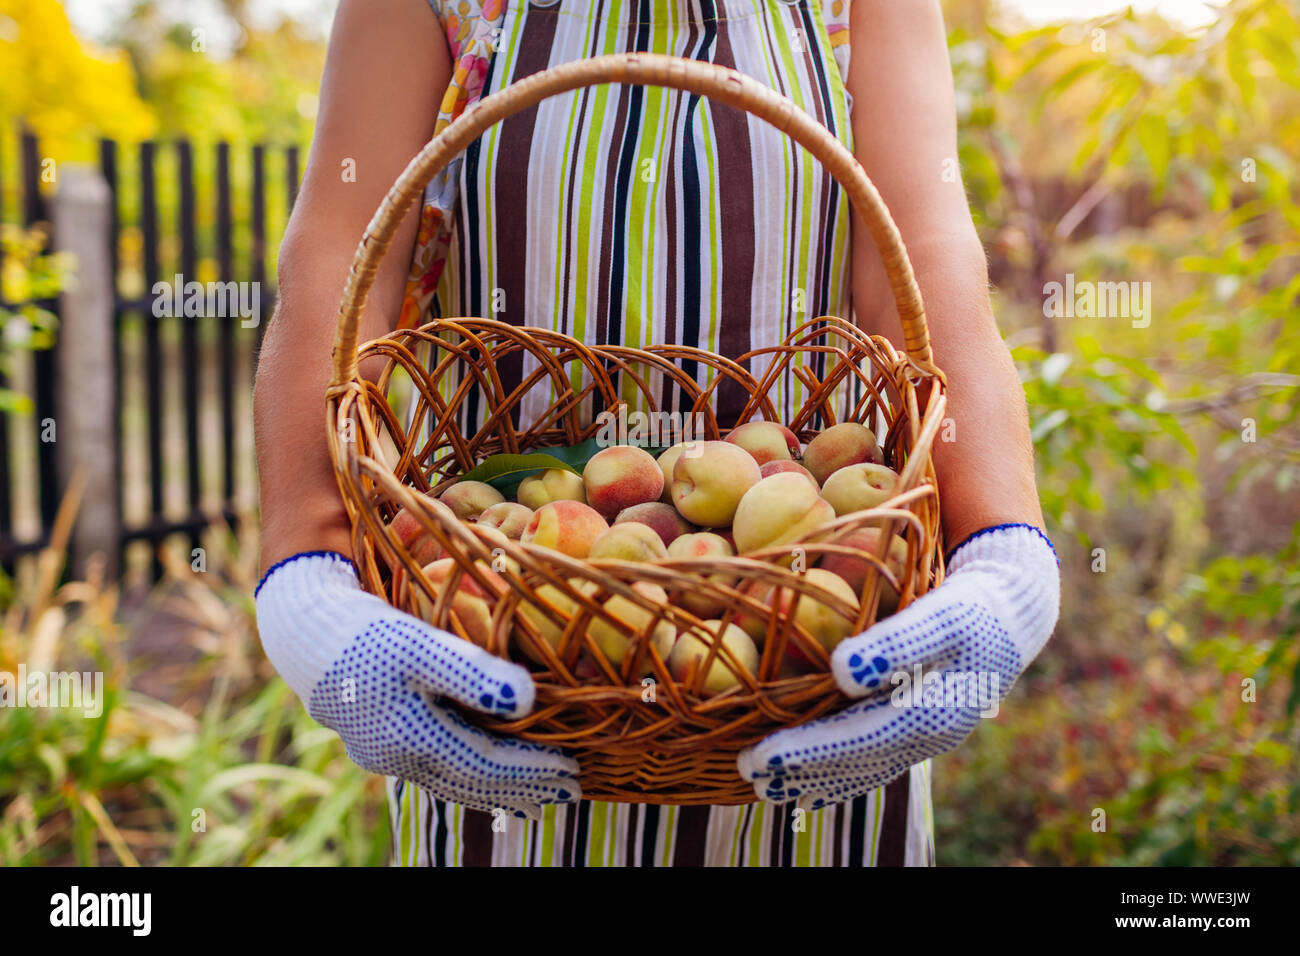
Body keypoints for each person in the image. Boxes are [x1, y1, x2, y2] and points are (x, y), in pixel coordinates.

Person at [253, 0, 1059, 867]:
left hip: (806, 663)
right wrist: (307, 562)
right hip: (508, 660)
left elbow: (924, 257)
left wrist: (1004, 543)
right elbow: (340, 257)